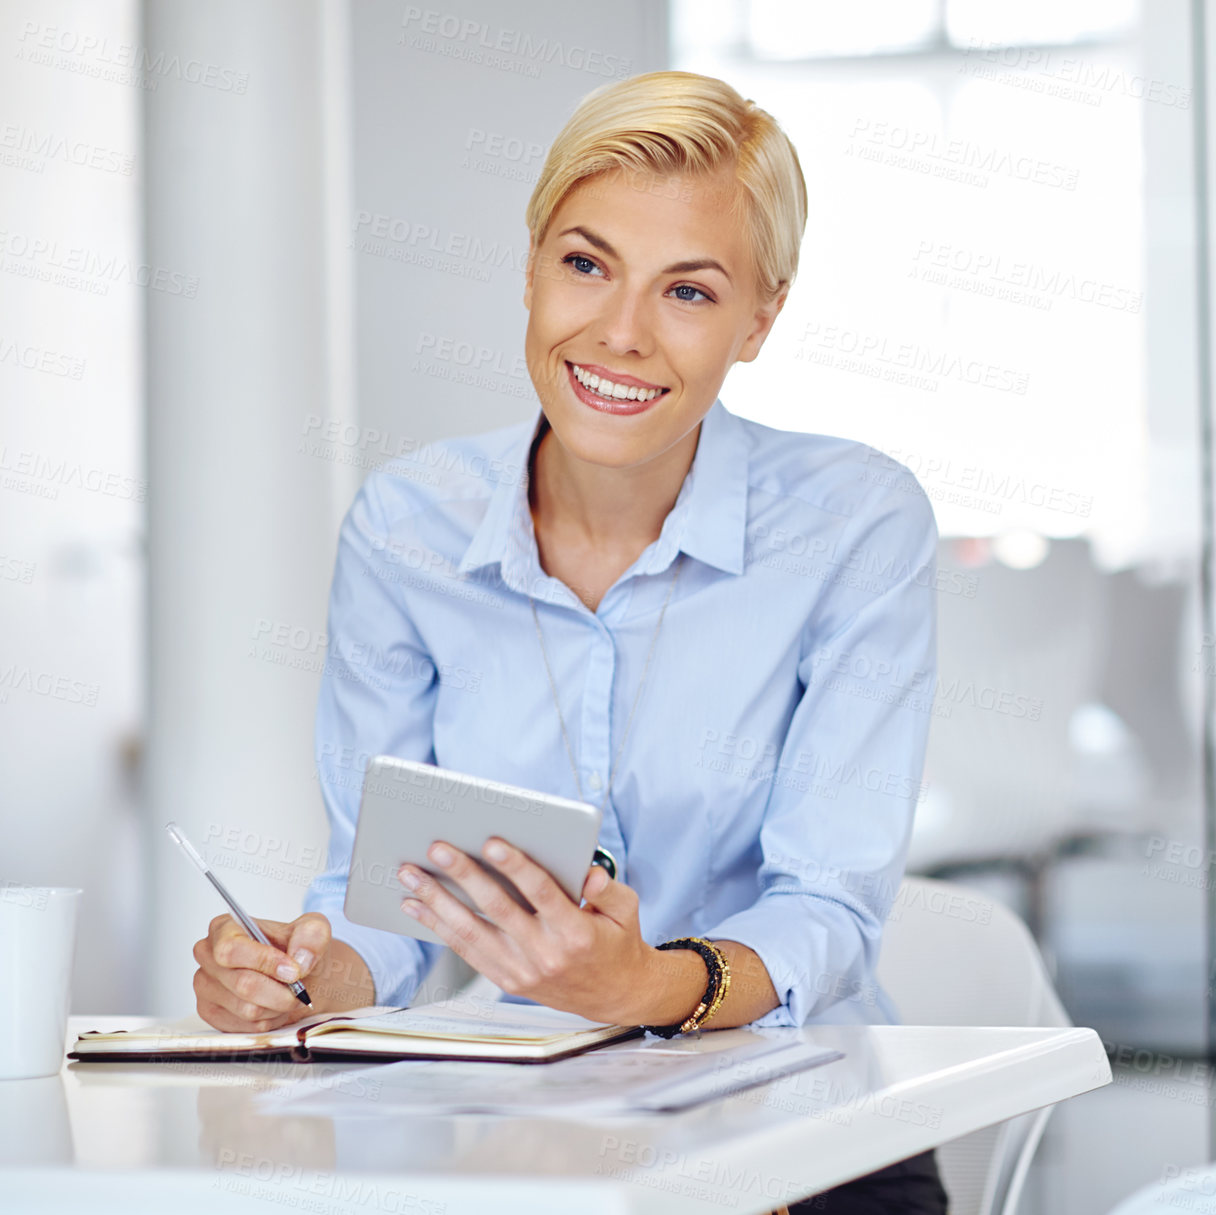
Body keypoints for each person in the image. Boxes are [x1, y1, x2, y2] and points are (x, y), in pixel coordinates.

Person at [188, 71, 946, 1211]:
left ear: (760, 319)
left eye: (687, 292)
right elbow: (380, 891)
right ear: (532, 265)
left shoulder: (852, 524)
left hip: (806, 1141)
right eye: (585, 265)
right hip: (518, 1143)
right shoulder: (409, 528)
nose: (620, 334)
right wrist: (306, 980)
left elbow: (827, 908)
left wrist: (644, 985)